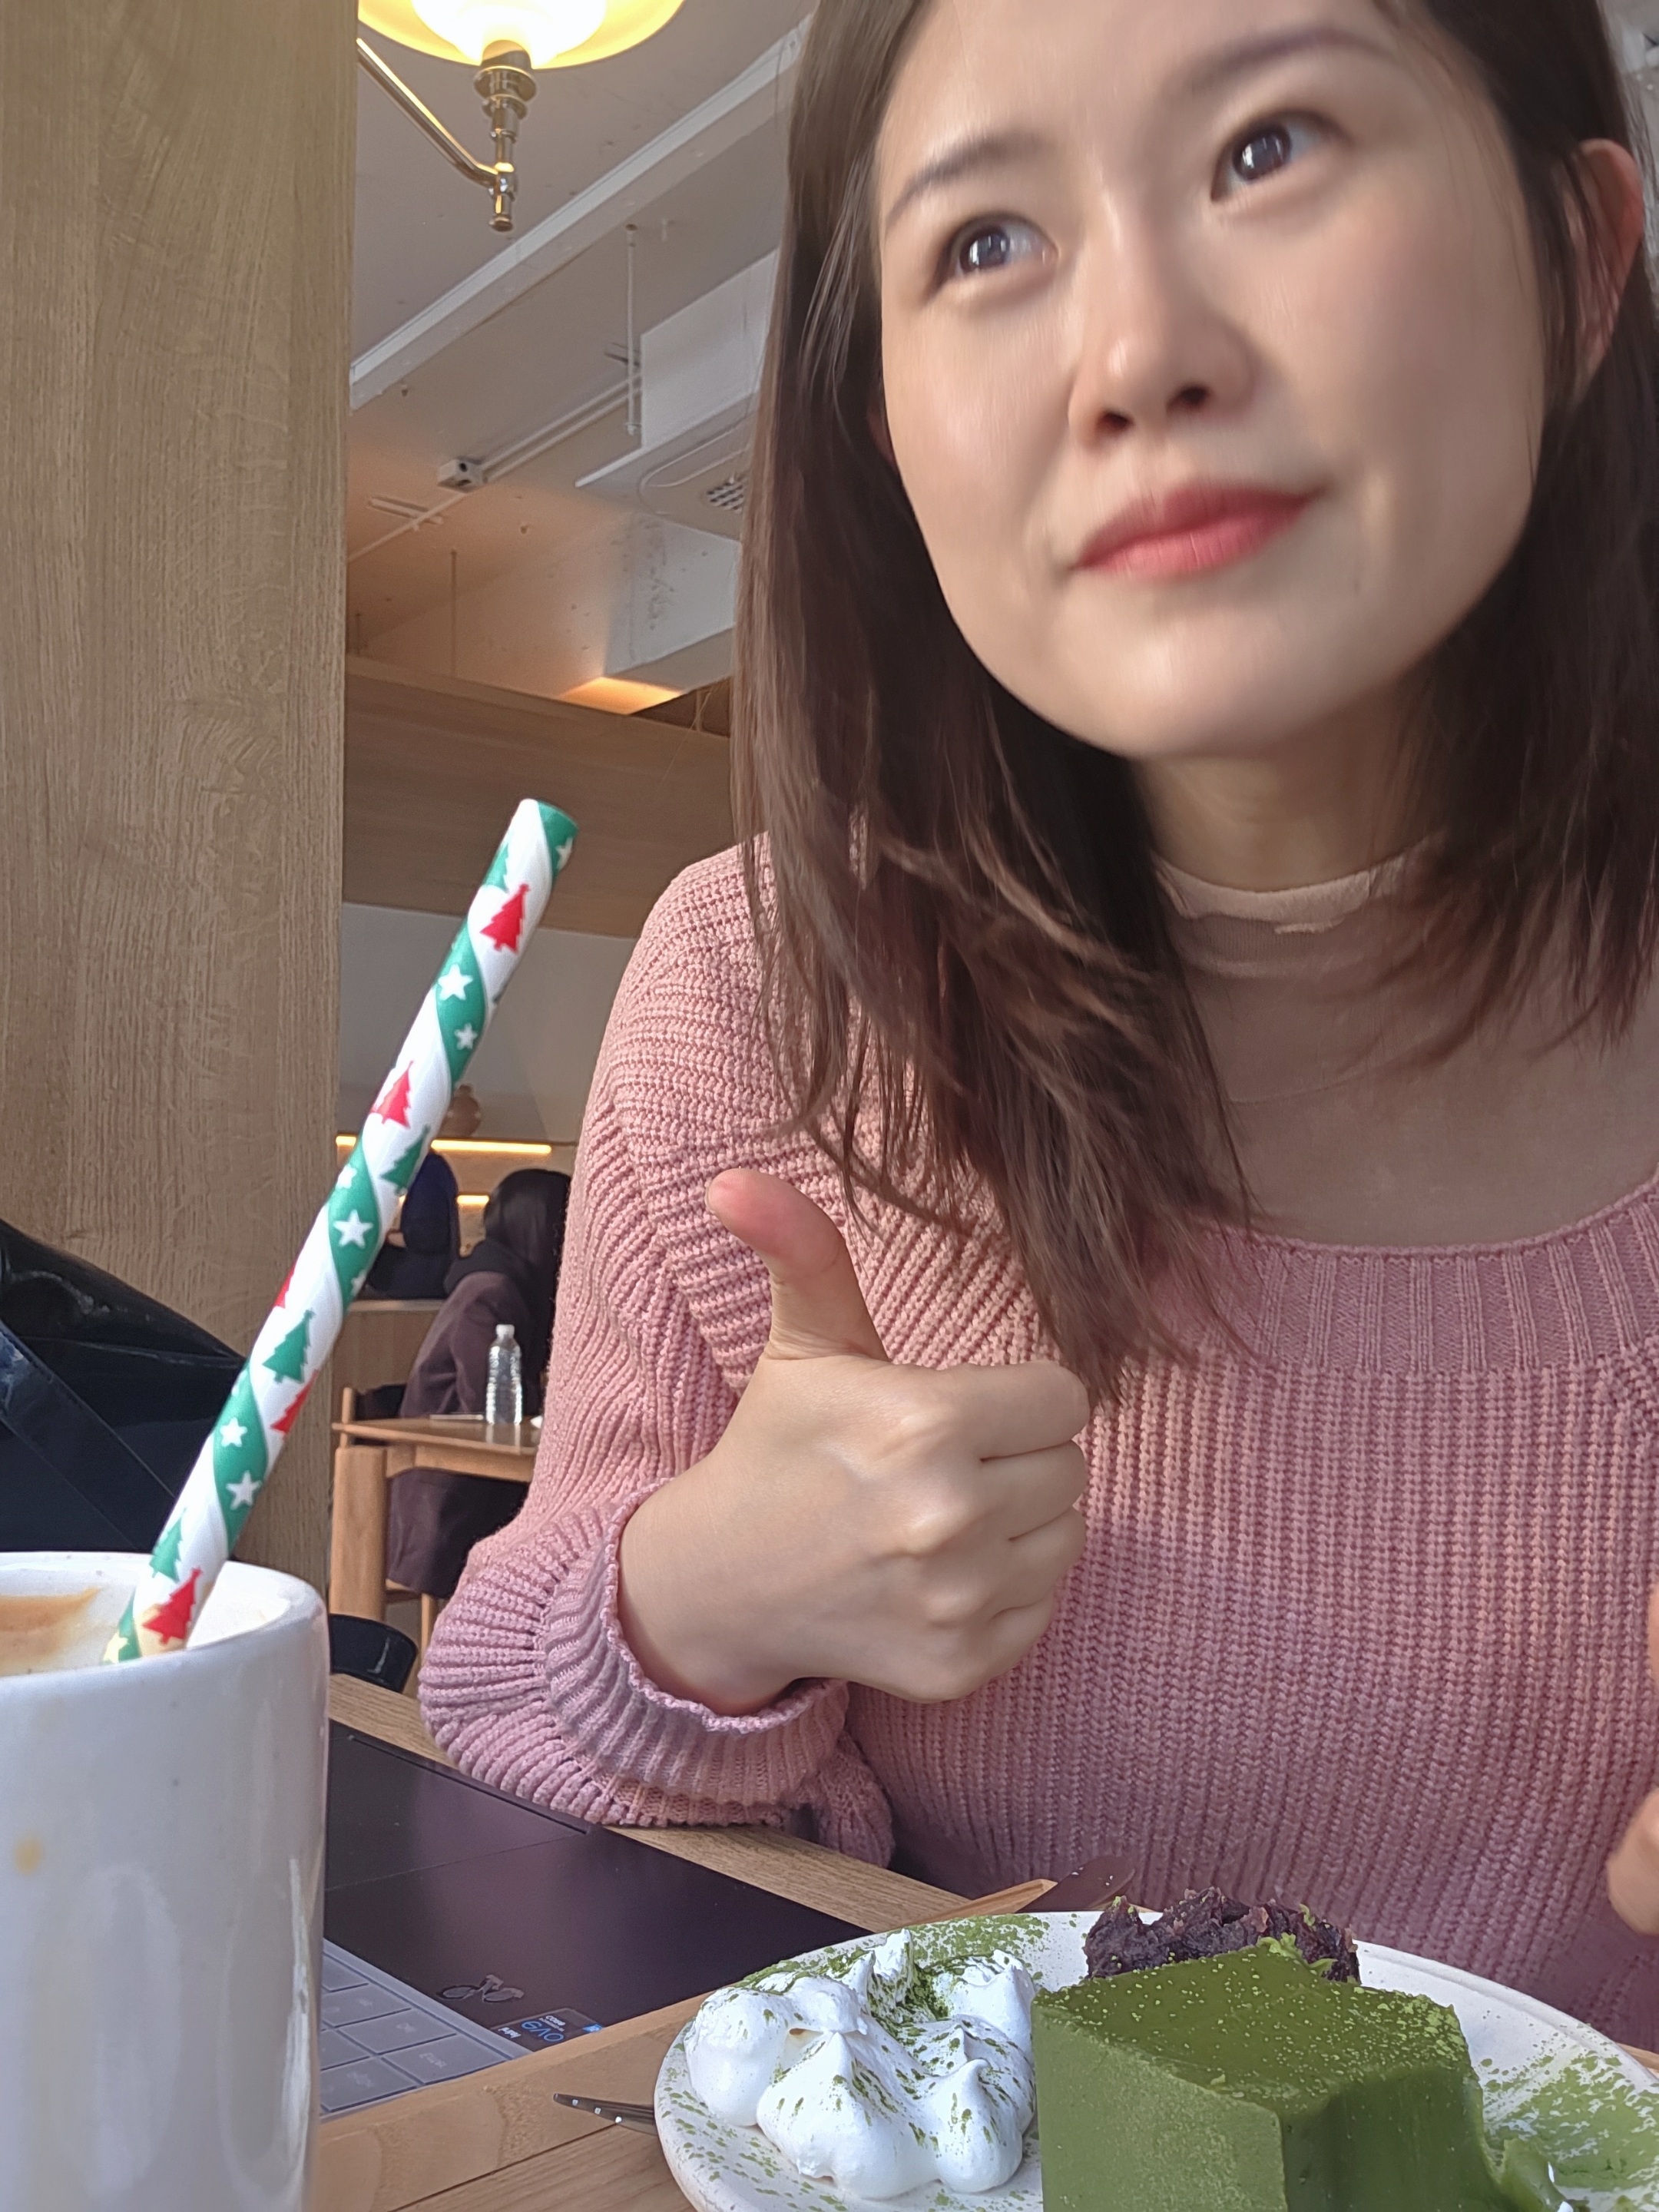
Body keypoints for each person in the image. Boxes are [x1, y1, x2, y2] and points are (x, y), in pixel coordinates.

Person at [422, 0, 1659, 2044]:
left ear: (1579, 261)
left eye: (1271, 147)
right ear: (888, 425)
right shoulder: (766, 1002)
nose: (1136, 354)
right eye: (985, 241)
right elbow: (498, 1719)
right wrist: (712, 1596)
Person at [385, 1167, 571, 1599]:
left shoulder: (500, 1283)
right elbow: (493, 1406)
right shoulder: (491, 1292)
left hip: (463, 1487)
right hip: (453, 1499)